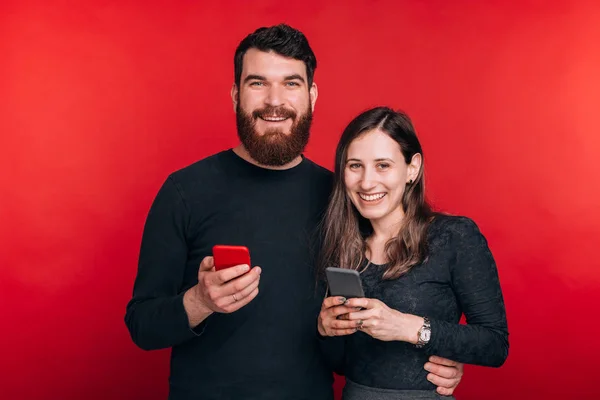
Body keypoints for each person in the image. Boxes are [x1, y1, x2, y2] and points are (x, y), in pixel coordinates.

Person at [124, 25, 464, 400]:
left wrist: (428, 360)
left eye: (290, 83)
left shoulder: (343, 196)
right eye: (257, 83)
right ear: (236, 95)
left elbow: (370, 321)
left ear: (311, 95)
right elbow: (142, 326)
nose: (275, 101)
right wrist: (200, 302)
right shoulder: (184, 191)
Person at [317, 106, 509, 399]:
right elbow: (342, 364)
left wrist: (410, 328)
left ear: (412, 168)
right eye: (355, 165)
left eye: (383, 165)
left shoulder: (453, 236)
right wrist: (327, 331)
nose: (367, 182)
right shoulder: (343, 246)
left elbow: (495, 345)